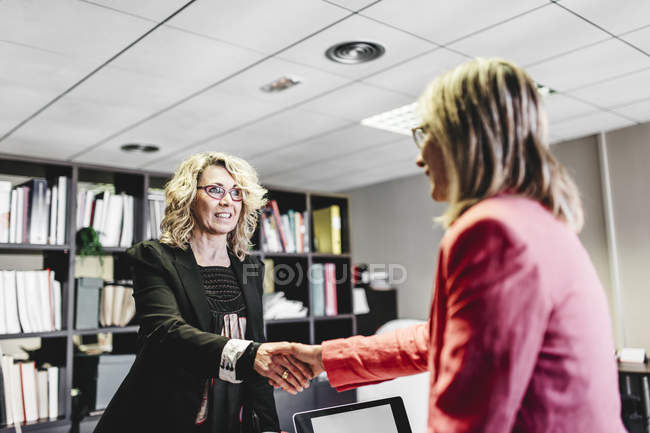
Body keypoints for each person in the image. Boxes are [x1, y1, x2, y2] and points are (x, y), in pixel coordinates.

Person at [276, 59, 626, 432]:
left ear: (463, 137)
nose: (419, 156)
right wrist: (323, 357)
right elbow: (435, 340)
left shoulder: (492, 231)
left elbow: (472, 415)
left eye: (426, 133)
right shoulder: (541, 223)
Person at [94, 152, 310, 433]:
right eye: (215, 190)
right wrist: (250, 355)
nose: (227, 201)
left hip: (228, 417)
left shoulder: (250, 267)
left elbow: (257, 350)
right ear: (188, 197)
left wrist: (268, 427)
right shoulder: (154, 257)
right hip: (163, 416)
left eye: (236, 193)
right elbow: (166, 332)